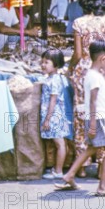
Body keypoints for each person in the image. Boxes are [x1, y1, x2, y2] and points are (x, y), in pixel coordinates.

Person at [67, 0, 105, 177]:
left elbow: (79, 53)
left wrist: (69, 68)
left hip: (85, 76)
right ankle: (102, 165)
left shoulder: (80, 23)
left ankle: (81, 167)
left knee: (83, 117)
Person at [55, 40, 105, 197]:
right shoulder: (96, 78)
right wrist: (92, 124)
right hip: (98, 118)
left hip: (95, 118)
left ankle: (69, 175)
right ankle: (103, 186)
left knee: (91, 148)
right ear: (103, 59)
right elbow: (92, 101)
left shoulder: (91, 75)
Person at [39, 49, 71, 179]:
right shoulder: (52, 78)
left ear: (56, 64)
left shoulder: (55, 80)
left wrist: (47, 119)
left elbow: (53, 100)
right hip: (54, 115)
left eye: (46, 62)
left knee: (59, 143)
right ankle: (57, 168)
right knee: (60, 142)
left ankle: (58, 171)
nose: (43, 65)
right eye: (42, 62)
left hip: (54, 116)